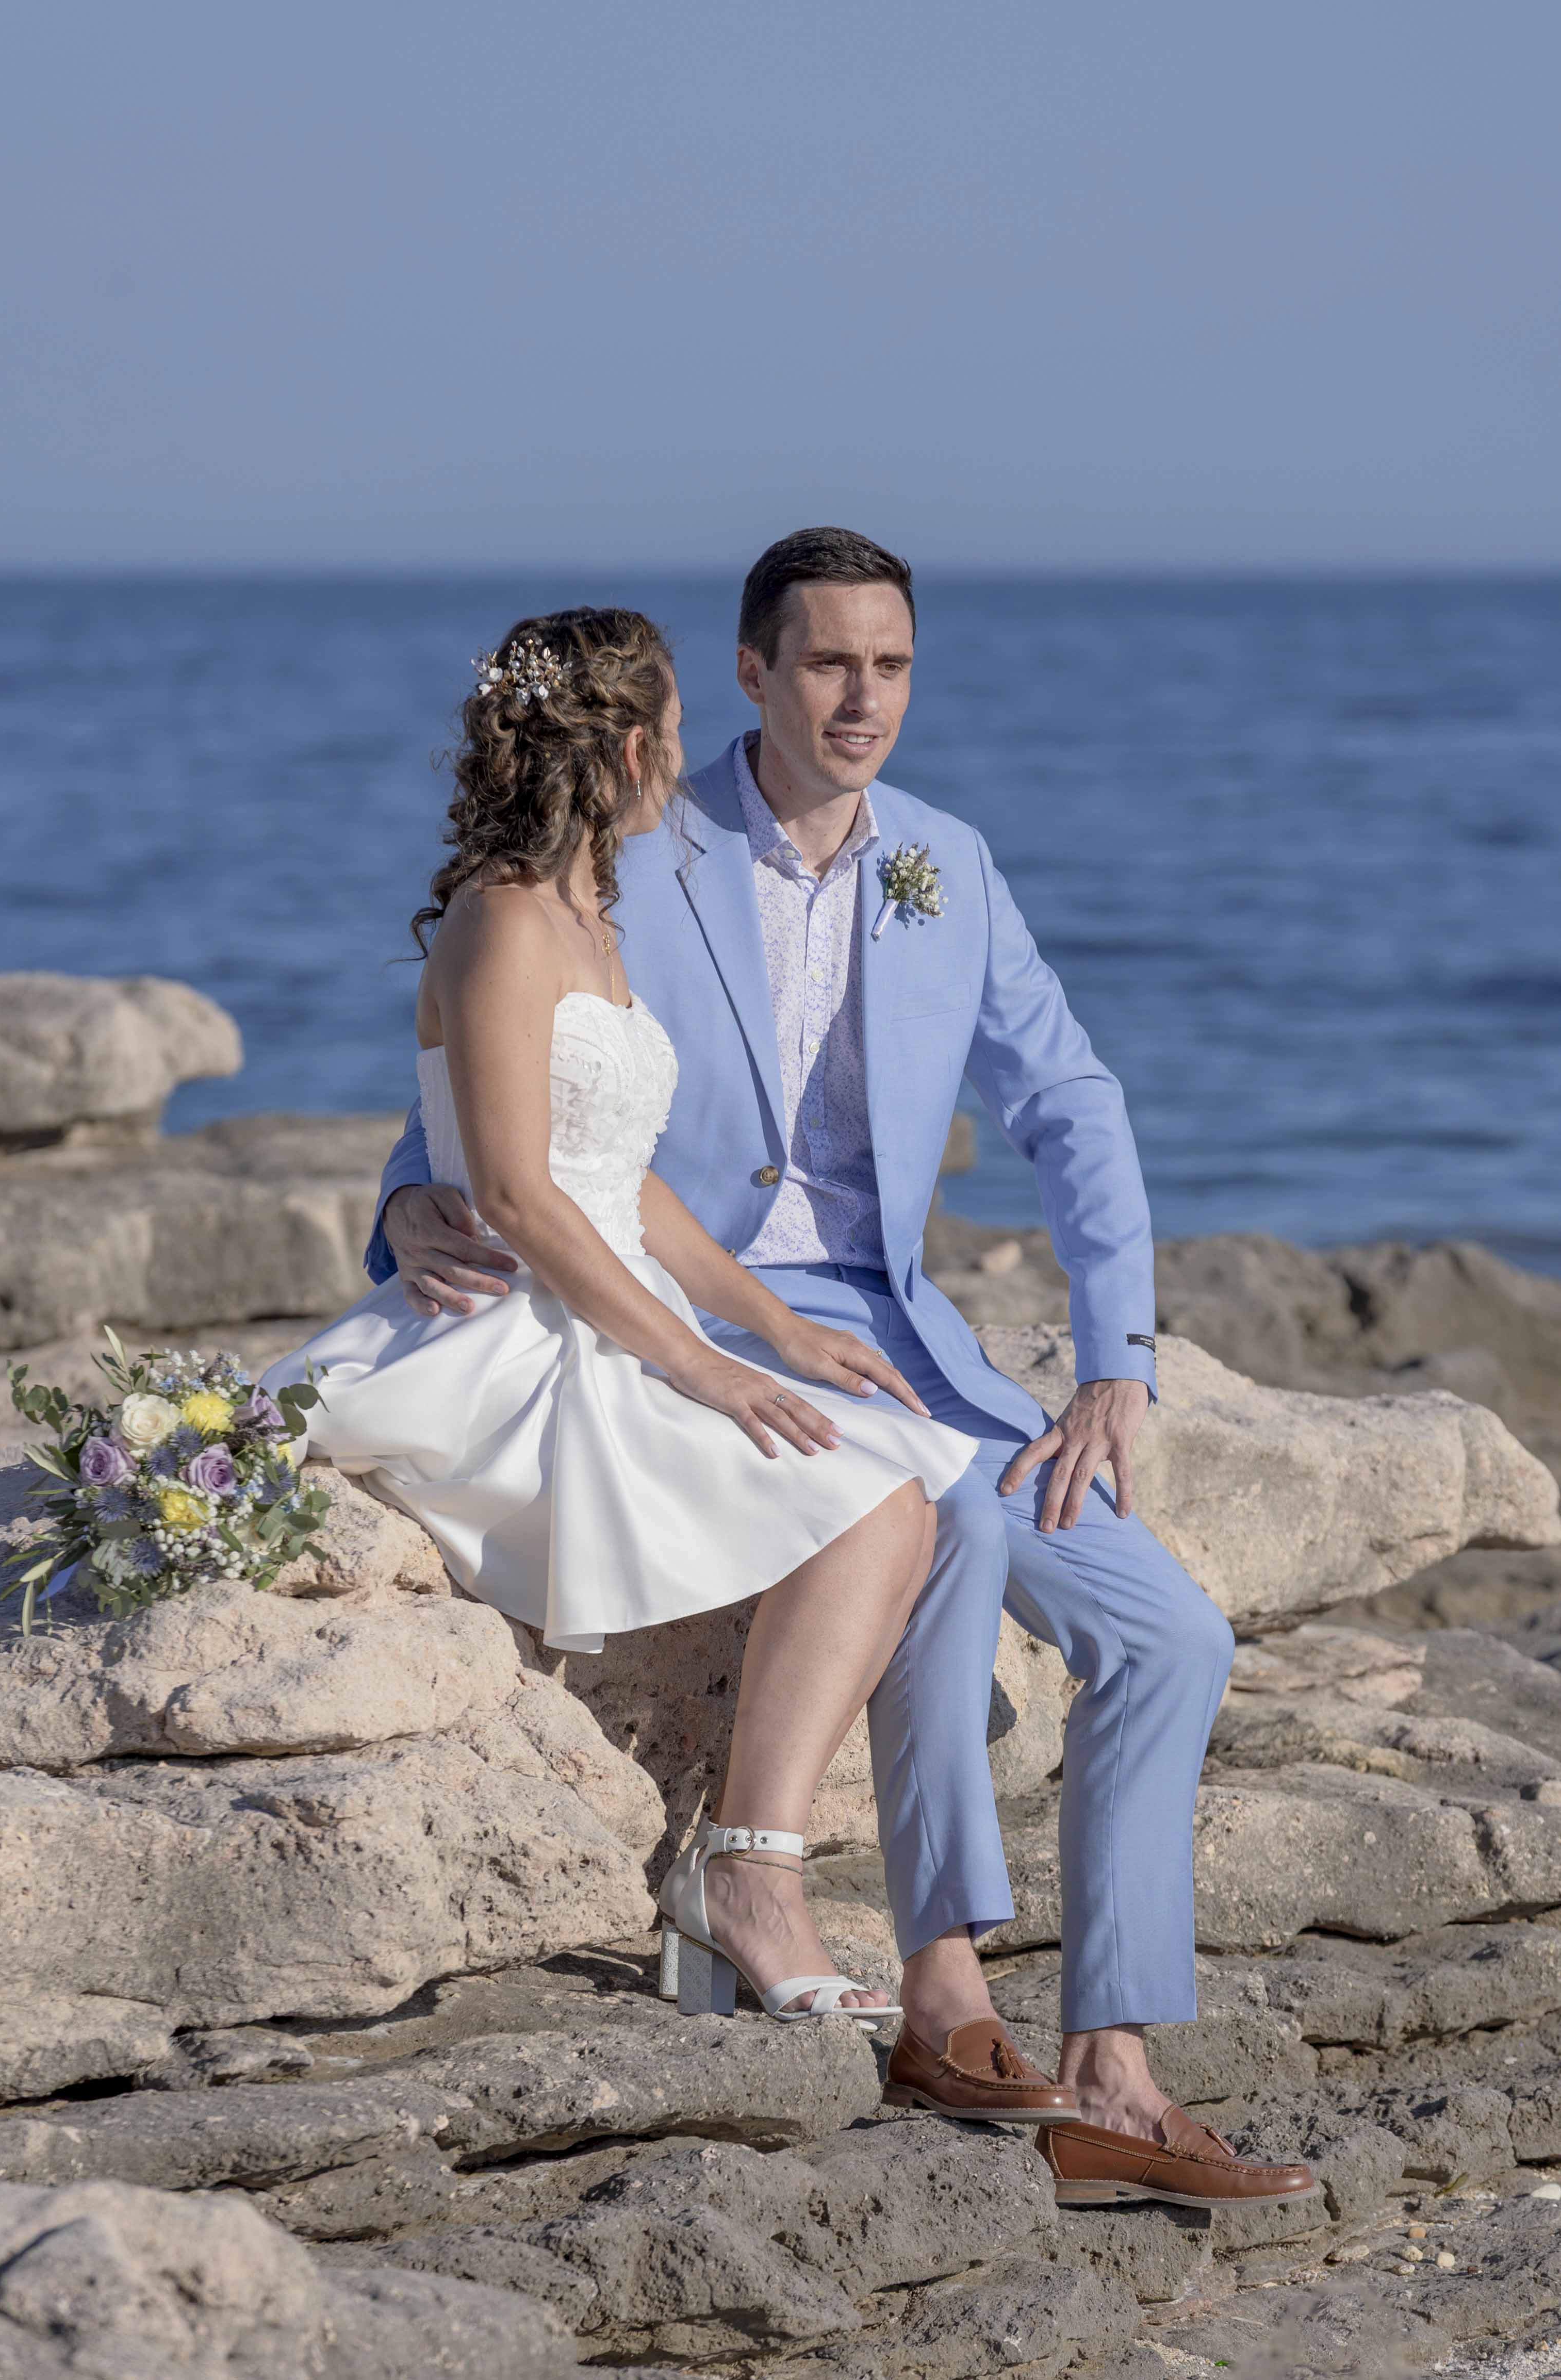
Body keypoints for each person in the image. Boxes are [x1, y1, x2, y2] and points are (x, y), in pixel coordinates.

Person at [366, 534, 1316, 2207]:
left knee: (1174, 1632)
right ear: (751, 675)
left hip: (897, 1324)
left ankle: (1112, 2062)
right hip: (697, 1300)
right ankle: (946, 1991)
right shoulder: (644, 843)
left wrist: (1117, 1358)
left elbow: (1072, 1104)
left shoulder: (943, 860)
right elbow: (513, 1065)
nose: (863, 698)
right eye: (826, 665)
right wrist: (411, 1200)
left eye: (890, 665)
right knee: (932, 1510)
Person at [263, 606, 1064, 2056]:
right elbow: (516, 1190)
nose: (691, 761)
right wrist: (696, 1364)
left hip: (617, 1293)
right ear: (635, 751)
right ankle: (749, 1885)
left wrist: (771, 1326)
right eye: (681, 734)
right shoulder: (503, 918)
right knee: (880, 1505)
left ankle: (743, 1877)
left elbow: (624, 1176)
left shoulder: (589, 920)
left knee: (903, 1482)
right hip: (523, 1333)